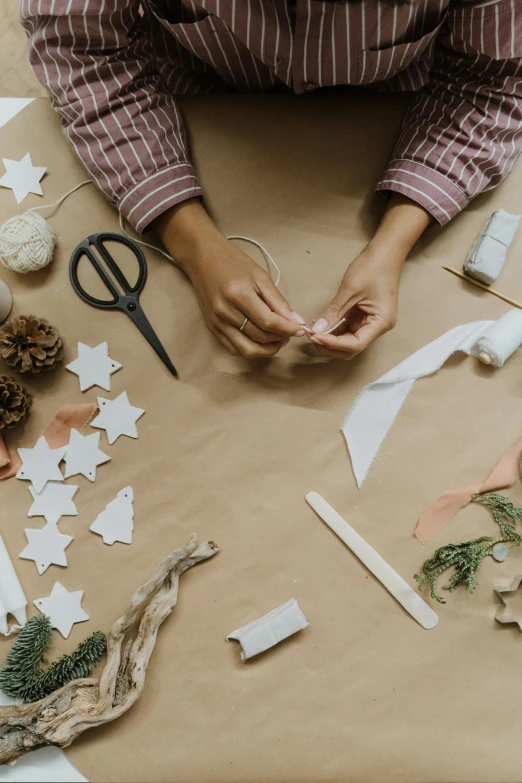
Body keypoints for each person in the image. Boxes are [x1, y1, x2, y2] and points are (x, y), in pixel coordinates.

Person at [21, 1, 522, 359]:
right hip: (198, 103)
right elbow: (79, 49)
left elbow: (491, 79)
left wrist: (392, 245)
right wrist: (191, 241)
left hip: (394, 110)